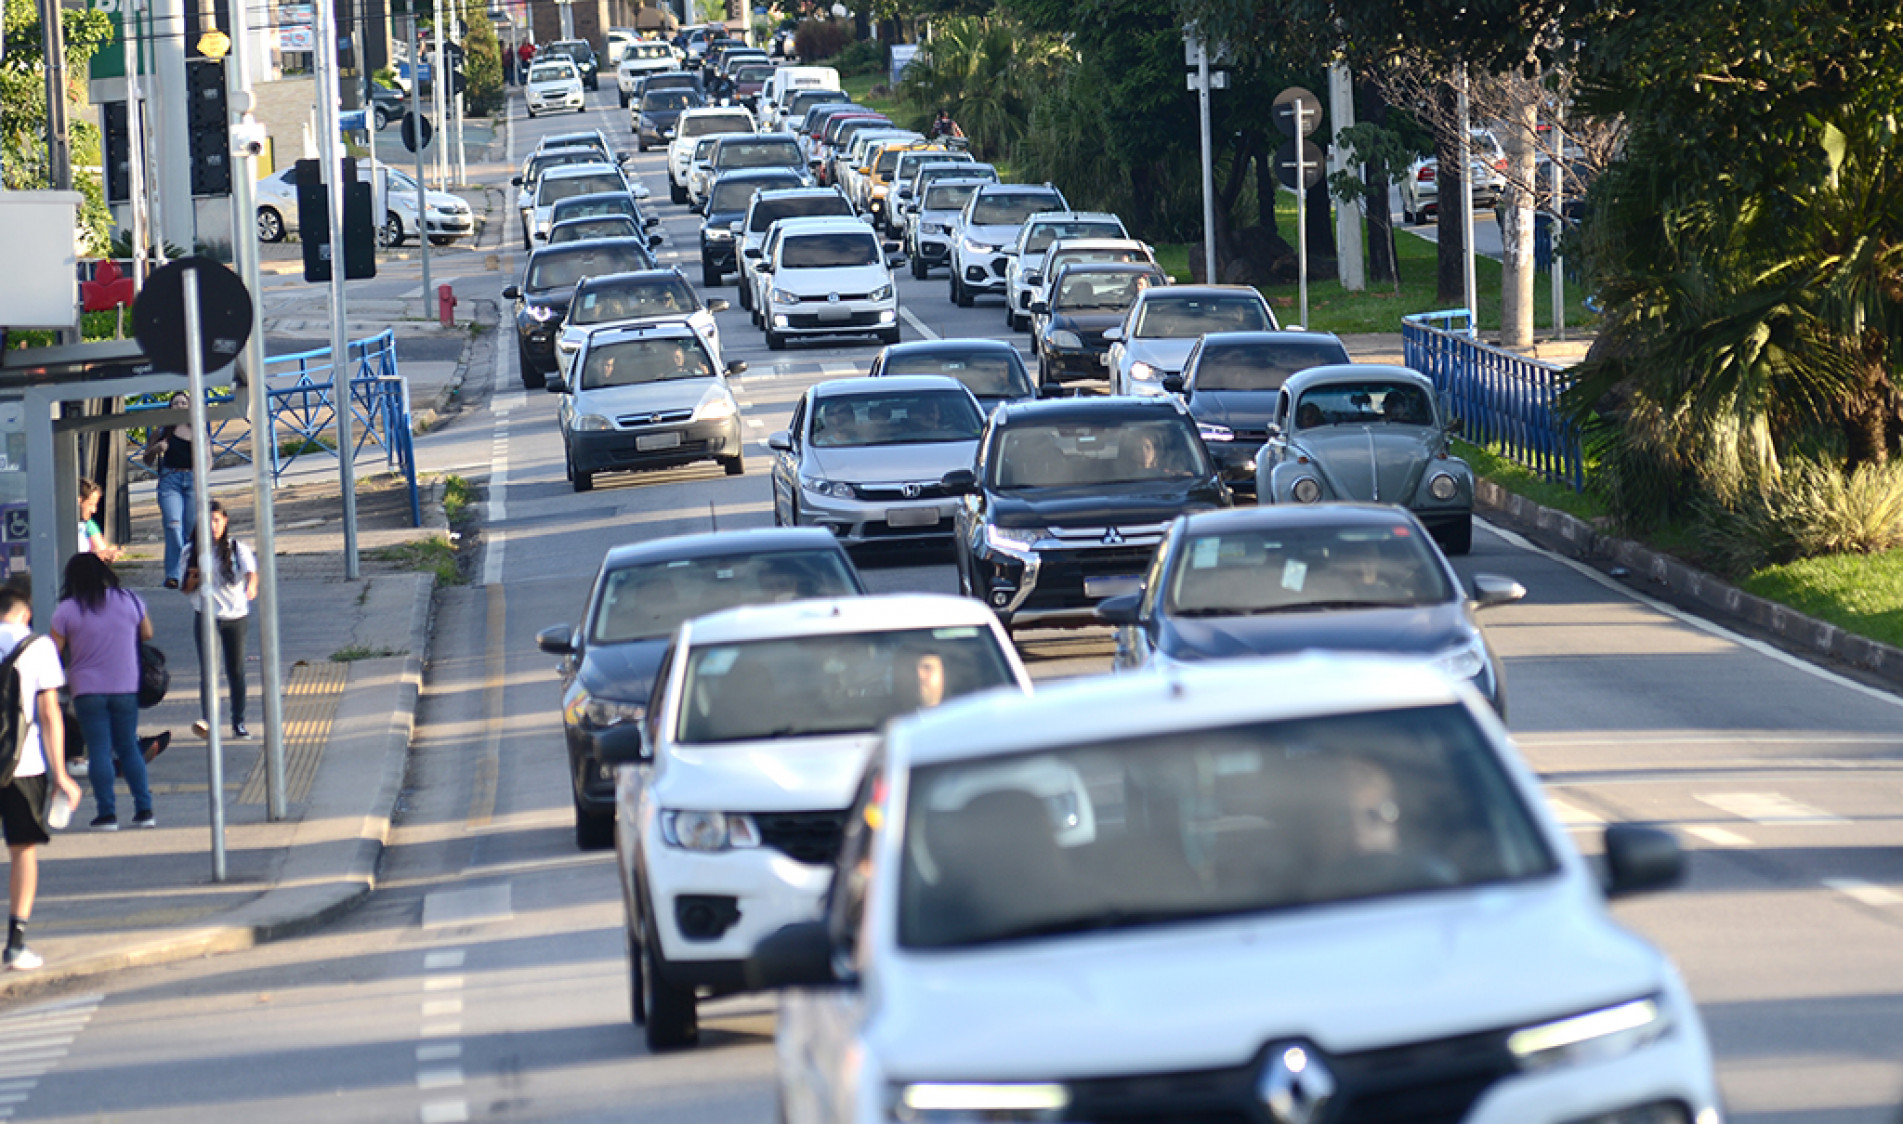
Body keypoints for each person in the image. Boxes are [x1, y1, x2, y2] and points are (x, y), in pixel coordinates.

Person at [0, 586, 83, 972]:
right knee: (22, 851)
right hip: (23, 765)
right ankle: (15, 944)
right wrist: (62, 774)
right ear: (26, 613)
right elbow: (50, 714)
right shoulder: (39, 647)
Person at [49, 553, 155, 831]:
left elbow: (53, 650)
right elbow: (147, 633)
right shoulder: (129, 600)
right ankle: (144, 810)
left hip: (87, 688)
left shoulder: (67, 609)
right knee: (128, 747)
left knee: (98, 751)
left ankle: (107, 814)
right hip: (125, 685)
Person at [182, 501, 258, 740]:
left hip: (235, 615)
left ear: (225, 521)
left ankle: (239, 721)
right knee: (209, 670)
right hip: (206, 616)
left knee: (236, 670)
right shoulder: (191, 551)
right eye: (207, 521)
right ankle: (208, 720)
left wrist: (252, 586)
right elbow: (185, 588)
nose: (213, 526)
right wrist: (193, 579)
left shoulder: (238, 548)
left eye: (217, 520)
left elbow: (251, 573)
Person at [143, 392, 197, 590]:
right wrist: (156, 449)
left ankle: (191, 569)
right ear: (170, 407)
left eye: (184, 402)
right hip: (170, 481)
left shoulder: (197, 428)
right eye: (176, 403)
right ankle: (174, 573)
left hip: (192, 479)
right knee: (174, 525)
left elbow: (208, 457)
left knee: (192, 528)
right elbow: (146, 459)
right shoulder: (163, 431)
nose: (180, 406)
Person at [76, 481, 122, 563]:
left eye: (95, 505)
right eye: (90, 504)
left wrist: (108, 553)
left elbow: (101, 548)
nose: (94, 510)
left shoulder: (88, 524)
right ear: (79, 501)